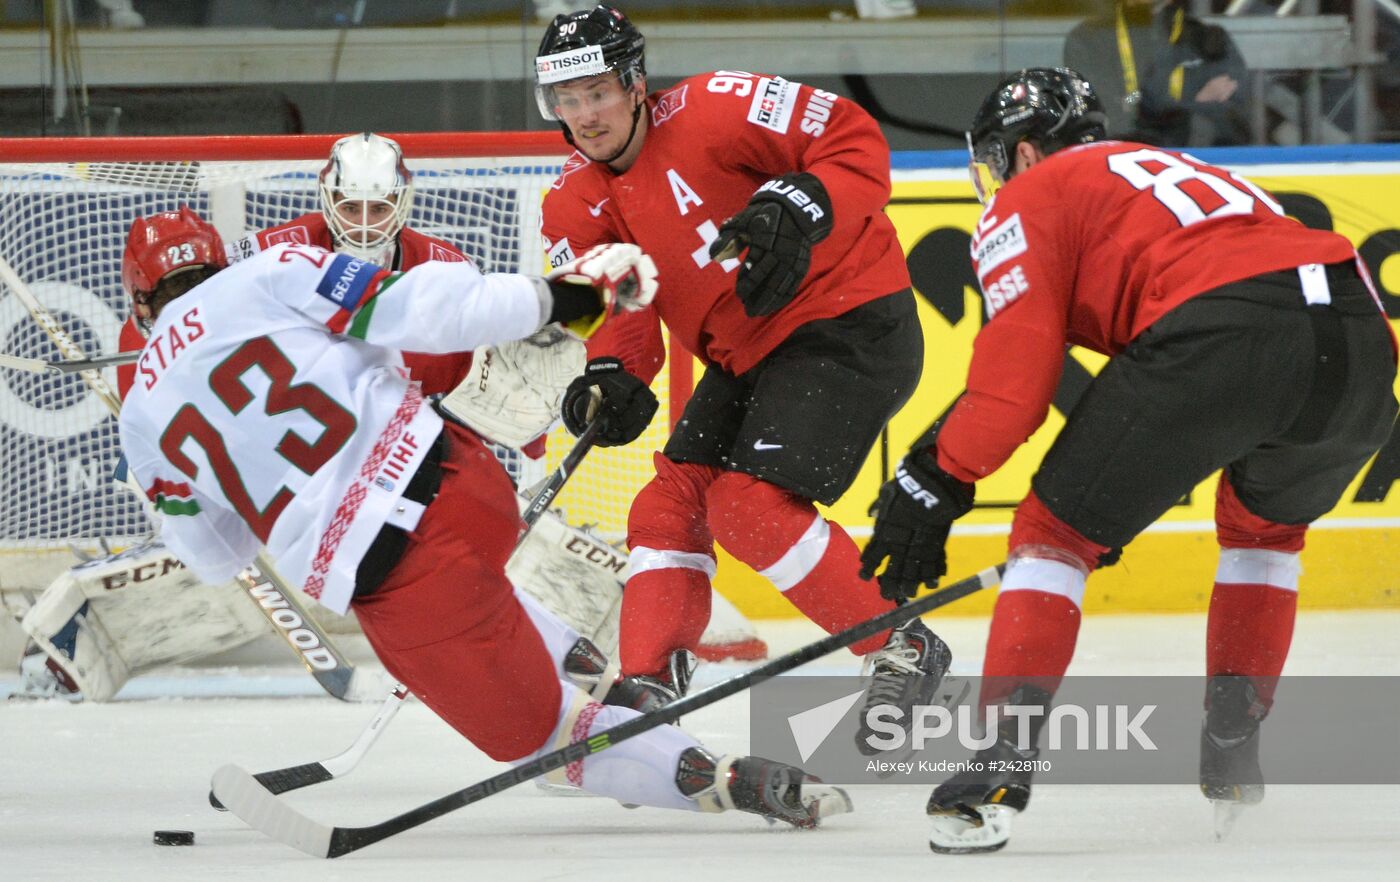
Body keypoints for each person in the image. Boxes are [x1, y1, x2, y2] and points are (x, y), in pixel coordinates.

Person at [114, 206, 851, 826]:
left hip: (401, 588)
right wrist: (566, 300)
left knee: (545, 742)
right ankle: (610, 686)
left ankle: (725, 778)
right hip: (464, 481)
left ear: (141, 302)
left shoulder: (141, 416)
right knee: (482, 592)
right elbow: (424, 308)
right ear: (217, 257)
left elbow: (219, 558)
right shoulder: (274, 272)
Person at [859, 67, 1397, 853]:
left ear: (1028, 150)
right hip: (1358, 340)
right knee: (1266, 535)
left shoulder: (1033, 192)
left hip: (1226, 328)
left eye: (996, 162)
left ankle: (998, 766)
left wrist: (938, 474)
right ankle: (1233, 746)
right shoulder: (1192, 173)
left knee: (1053, 537)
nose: (993, 183)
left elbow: (1017, 383)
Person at [532, 4, 951, 739]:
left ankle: (904, 646)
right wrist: (613, 372)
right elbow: (624, 310)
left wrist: (804, 201)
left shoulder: (717, 106)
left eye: (597, 91)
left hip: (850, 323)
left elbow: (851, 135)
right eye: (565, 100)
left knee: (748, 508)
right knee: (667, 507)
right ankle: (649, 688)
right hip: (746, 355)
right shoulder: (573, 199)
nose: (584, 115)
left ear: (635, 83)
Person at [1063, 0, 1248, 146]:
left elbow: (1234, 123)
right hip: (1124, 163)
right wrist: (1191, 103)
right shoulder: (1087, 39)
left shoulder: (1210, 40)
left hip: (1198, 160)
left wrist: (1132, 100)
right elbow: (1105, 115)